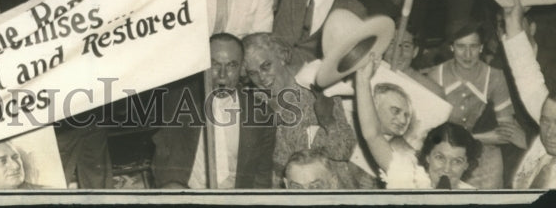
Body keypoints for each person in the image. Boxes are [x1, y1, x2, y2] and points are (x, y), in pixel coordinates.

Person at [152, 33, 276, 189]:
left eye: (231, 65)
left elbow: (262, 178)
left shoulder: (262, 115)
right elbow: (162, 157)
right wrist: (170, 185)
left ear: (242, 68)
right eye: (215, 64)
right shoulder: (177, 98)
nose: (222, 74)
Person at [242, 32, 360, 187]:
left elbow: (345, 150)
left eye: (266, 66)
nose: (262, 77)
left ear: (282, 57)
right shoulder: (253, 101)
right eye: (253, 73)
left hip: (327, 188)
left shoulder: (315, 87)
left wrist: (327, 121)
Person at [356, 54, 481, 188]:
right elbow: (373, 135)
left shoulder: (473, 197)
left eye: (457, 161)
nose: (446, 169)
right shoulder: (409, 179)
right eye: (439, 157)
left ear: (467, 165)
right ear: (427, 157)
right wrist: (362, 80)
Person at [424, 23, 526, 187]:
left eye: (473, 46)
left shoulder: (495, 77)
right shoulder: (437, 75)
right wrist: (483, 137)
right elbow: (429, 132)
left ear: (481, 48)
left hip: (482, 152)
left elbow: (505, 131)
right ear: (451, 47)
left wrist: (478, 138)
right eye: (461, 47)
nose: (467, 54)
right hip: (444, 151)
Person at [502, 0, 556, 188]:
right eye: (545, 122)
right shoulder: (549, 117)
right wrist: (512, 21)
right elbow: (527, 77)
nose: (550, 133)